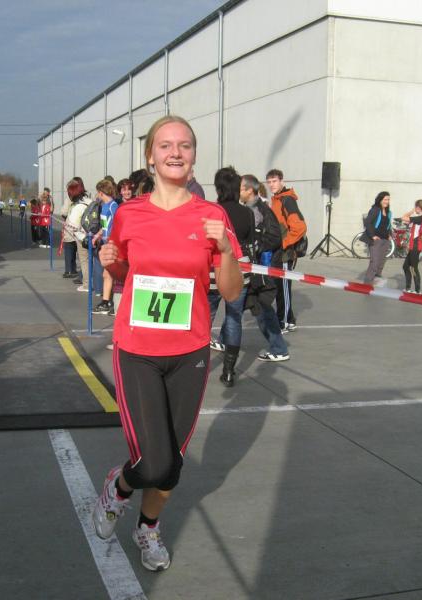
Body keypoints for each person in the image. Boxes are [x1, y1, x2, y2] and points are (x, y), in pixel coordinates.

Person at [93, 115, 242, 572]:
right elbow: (124, 274)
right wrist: (110, 261)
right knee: (154, 463)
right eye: (165, 145)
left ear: (194, 156)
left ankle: (148, 528)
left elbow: (231, 291)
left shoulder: (213, 216)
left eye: (184, 145)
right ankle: (119, 486)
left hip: (190, 352)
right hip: (138, 350)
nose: (175, 152)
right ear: (150, 157)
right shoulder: (129, 213)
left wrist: (226, 252)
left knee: (171, 463)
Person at [207, 166, 253, 386]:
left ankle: (198, 365)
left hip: (213, 269)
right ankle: (228, 371)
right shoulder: (247, 213)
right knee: (234, 318)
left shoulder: (211, 211)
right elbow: (251, 240)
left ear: (218, 188)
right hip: (240, 268)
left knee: (206, 317)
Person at [238, 174, 290, 361]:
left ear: (249, 191)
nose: (238, 192)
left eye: (240, 188)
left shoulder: (261, 211)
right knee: (242, 305)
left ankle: (279, 348)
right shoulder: (248, 210)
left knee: (260, 307)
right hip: (251, 268)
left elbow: (275, 237)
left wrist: (255, 248)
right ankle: (225, 339)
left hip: (263, 270)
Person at [267, 169, 306, 333]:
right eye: (269, 182)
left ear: (282, 181)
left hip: (285, 253)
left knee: (283, 289)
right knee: (280, 287)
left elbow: (300, 227)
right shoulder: (276, 200)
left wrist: (283, 244)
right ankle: (288, 320)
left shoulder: (287, 200)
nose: (271, 185)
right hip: (278, 251)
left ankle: (283, 322)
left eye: (274, 181)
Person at [91, 179, 118, 312]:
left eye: (98, 192)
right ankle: (107, 301)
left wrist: (112, 239)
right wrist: (97, 235)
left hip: (112, 244)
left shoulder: (113, 206)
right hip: (105, 243)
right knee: (106, 273)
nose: (97, 195)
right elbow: (105, 225)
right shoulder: (104, 206)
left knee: (108, 273)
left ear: (101, 193)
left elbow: (118, 223)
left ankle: (107, 301)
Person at [64, 178, 91, 288]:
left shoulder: (77, 207)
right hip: (93, 235)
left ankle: (87, 285)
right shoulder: (89, 201)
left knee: (84, 261)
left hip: (82, 237)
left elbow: (72, 226)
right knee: (93, 261)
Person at [363, 191, 393, 286]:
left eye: (388, 199)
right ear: (380, 200)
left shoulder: (388, 212)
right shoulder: (375, 210)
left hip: (385, 240)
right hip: (376, 240)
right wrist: (373, 236)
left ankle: (376, 279)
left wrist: (389, 234)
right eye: (385, 199)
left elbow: (387, 225)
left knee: (381, 262)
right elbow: (367, 222)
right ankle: (367, 284)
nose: (387, 201)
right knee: (375, 262)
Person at [402, 199, 422, 293]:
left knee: (413, 268)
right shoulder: (420, 218)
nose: (414, 209)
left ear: (418, 207)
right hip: (414, 245)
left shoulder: (420, 218)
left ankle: (417, 290)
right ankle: (408, 288)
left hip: (416, 246)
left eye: (415, 207)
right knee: (406, 266)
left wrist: (411, 211)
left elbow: (404, 217)